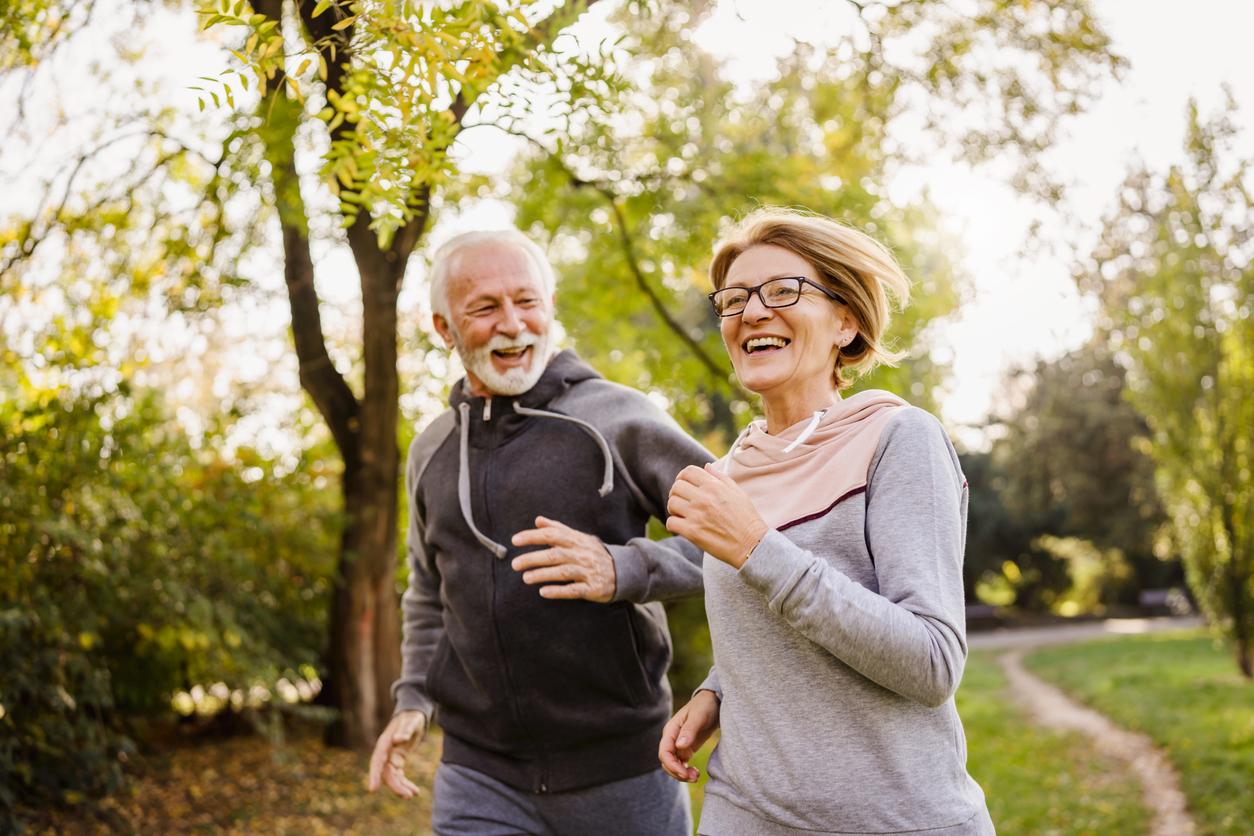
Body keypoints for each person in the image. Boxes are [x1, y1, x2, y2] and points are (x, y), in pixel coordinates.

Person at [658, 208, 995, 835]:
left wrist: (759, 548)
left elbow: (932, 662)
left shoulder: (898, 439)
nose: (751, 312)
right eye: (733, 300)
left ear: (846, 321)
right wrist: (719, 691)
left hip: (896, 821)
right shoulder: (731, 471)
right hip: (744, 815)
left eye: (783, 291)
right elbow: (773, 628)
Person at [366, 228, 711, 836]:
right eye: (485, 307)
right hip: (479, 775)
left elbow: (741, 539)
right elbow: (427, 591)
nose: (512, 323)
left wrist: (626, 568)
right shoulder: (431, 451)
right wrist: (413, 699)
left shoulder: (620, 417)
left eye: (527, 301)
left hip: (622, 771)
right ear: (444, 329)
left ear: (550, 308)